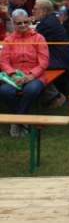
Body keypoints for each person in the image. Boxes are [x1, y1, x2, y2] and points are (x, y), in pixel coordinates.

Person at [0, 9, 50, 137]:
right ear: (14, 24)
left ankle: (17, 121)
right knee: (5, 91)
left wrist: (31, 76)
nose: (23, 25)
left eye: (25, 22)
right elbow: (4, 61)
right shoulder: (8, 40)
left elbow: (44, 61)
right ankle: (22, 120)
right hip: (14, 76)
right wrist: (13, 75)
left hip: (34, 75)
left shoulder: (39, 38)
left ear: (29, 21)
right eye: (19, 23)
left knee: (31, 91)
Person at [31, 0, 69, 107]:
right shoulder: (50, 20)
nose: (32, 11)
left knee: (31, 65)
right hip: (59, 55)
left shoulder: (48, 23)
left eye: (35, 9)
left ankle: (55, 95)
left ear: (44, 12)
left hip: (59, 58)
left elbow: (32, 41)